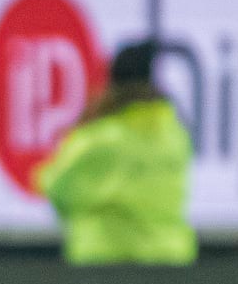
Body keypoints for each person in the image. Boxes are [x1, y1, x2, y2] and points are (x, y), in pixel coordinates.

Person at [34, 40, 196, 266]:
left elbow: (57, 186)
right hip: (169, 261)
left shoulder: (99, 140)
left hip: (106, 265)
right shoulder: (175, 136)